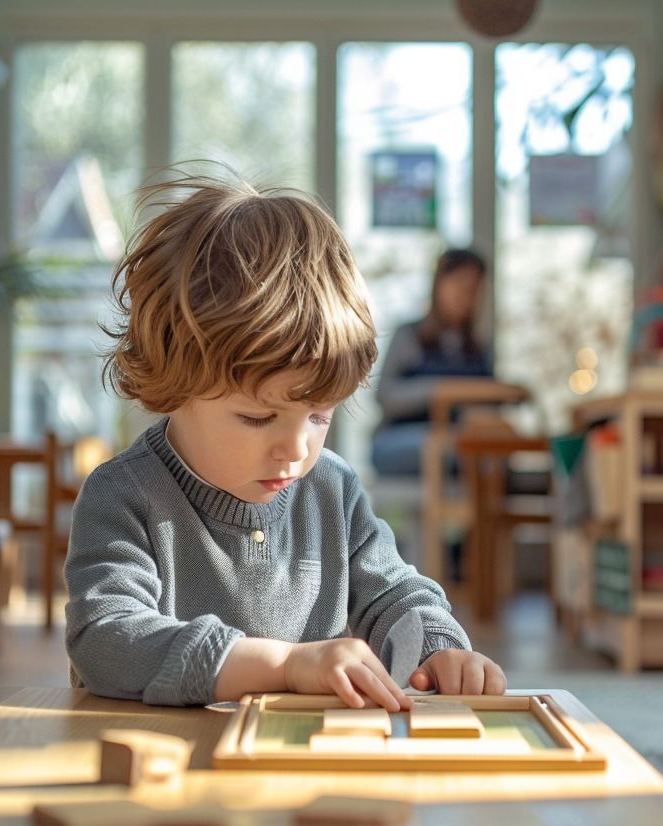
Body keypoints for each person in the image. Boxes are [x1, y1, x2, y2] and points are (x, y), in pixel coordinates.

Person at [64, 167, 505, 709]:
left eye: (320, 416)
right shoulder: (123, 496)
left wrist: (439, 649)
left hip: (292, 768)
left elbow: (395, 593)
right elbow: (105, 639)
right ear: (175, 385)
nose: (296, 451)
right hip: (166, 766)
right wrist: (286, 665)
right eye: (256, 417)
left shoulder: (332, 490)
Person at [371, 247, 493, 477]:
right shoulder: (409, 336)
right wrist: (440, 391)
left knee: (488, 454)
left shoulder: (478, 349)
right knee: (447, 449)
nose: (465, 296)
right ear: (439, 283)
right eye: (458, 283)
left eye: (473, 289)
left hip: (461, 441)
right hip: (402, 438)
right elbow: (385, 396)